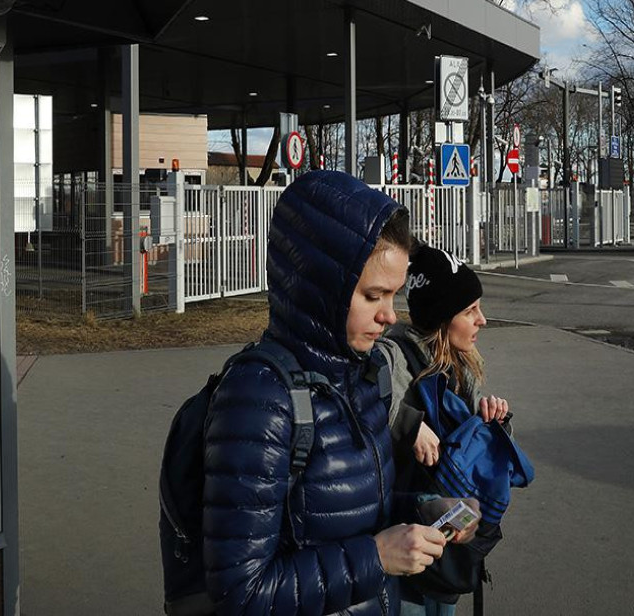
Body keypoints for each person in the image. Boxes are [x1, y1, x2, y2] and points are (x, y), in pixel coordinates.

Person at [202, 171, 474, 615]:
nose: (390, 316)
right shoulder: (258, 401)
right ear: (319, 286)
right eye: (373, 296)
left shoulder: (364, 376)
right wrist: (377, 557)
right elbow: (241, 594)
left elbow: (344, 511)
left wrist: (425, 510)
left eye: (393, 295)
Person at [379, 244, 513, 616]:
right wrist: (408, 425)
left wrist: (493, 422)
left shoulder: (463, 367)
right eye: (470, 311)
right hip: (405, 540)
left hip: (449, 537)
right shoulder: (391, 357)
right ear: (441, 317)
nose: (481, 320)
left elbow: (470, 451)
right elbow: (358, 400)